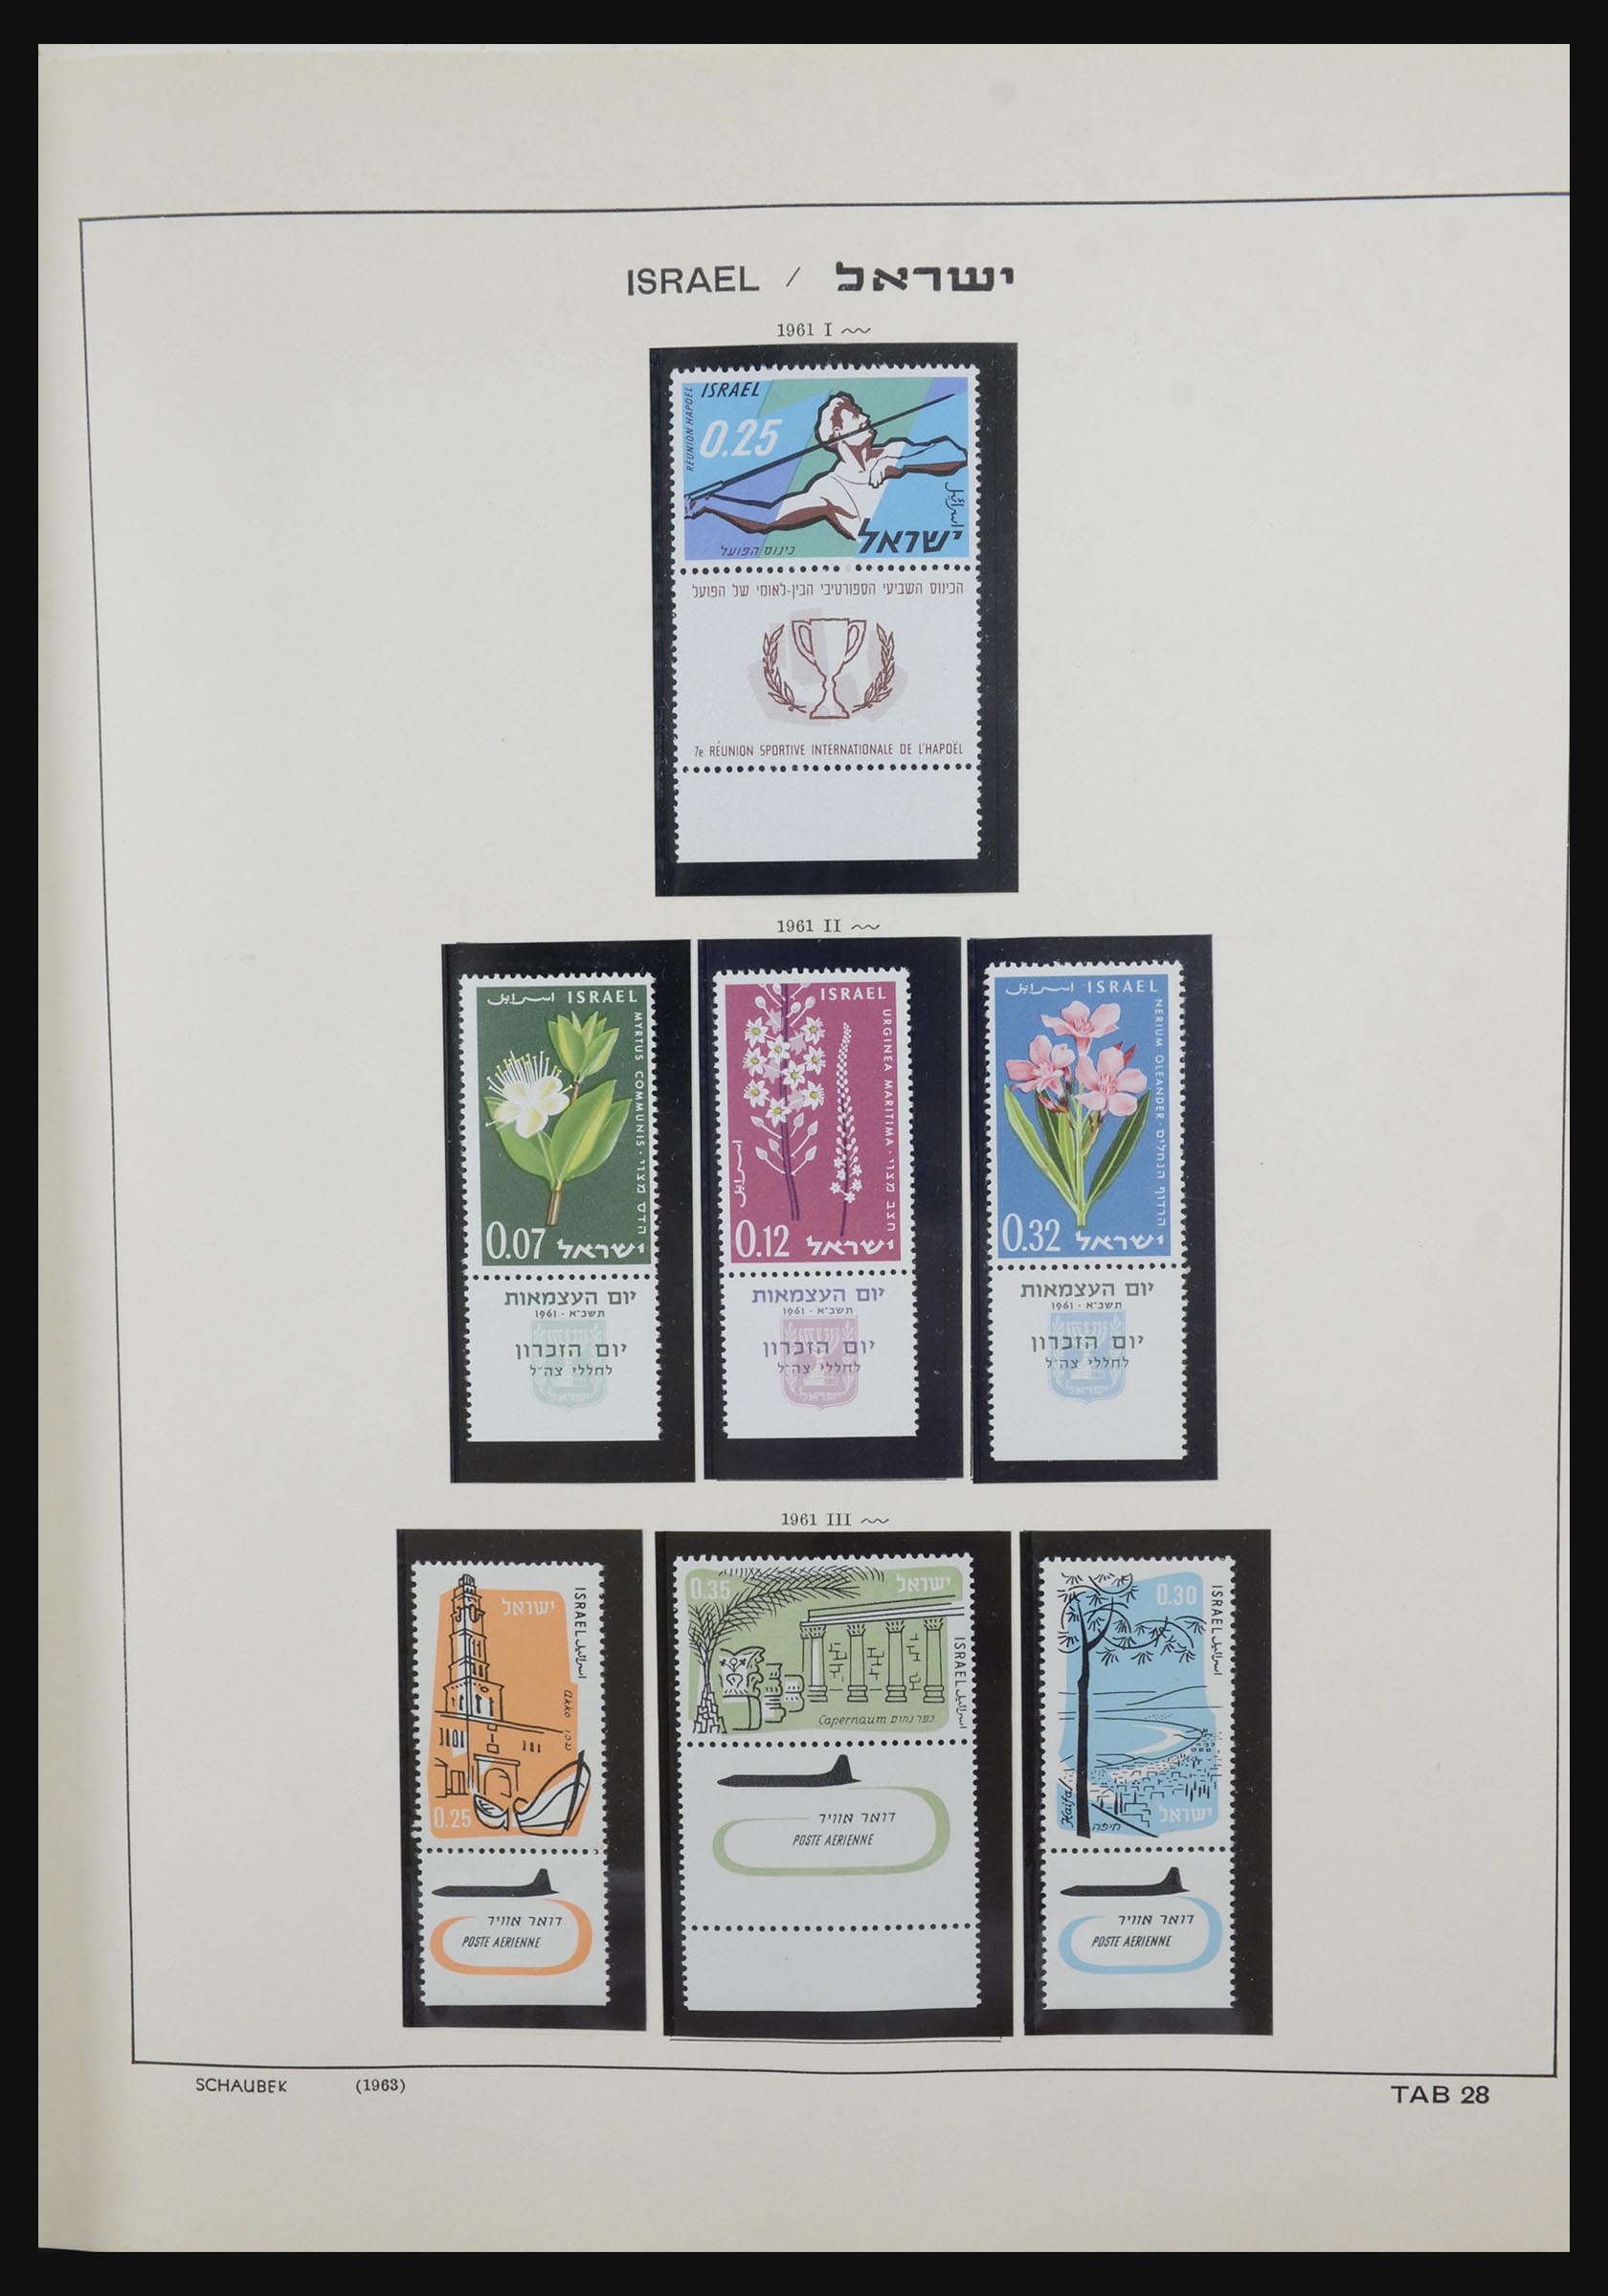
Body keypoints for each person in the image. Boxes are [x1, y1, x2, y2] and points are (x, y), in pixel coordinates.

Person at [686, 390, 967, 539]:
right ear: (837, 434)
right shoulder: (829, 489)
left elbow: (955, 453)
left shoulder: (894, 449)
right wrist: (711, 503)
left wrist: (901, 463)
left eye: (861, 412)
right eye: (856, 415)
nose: (866, 417)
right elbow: (768, 518)